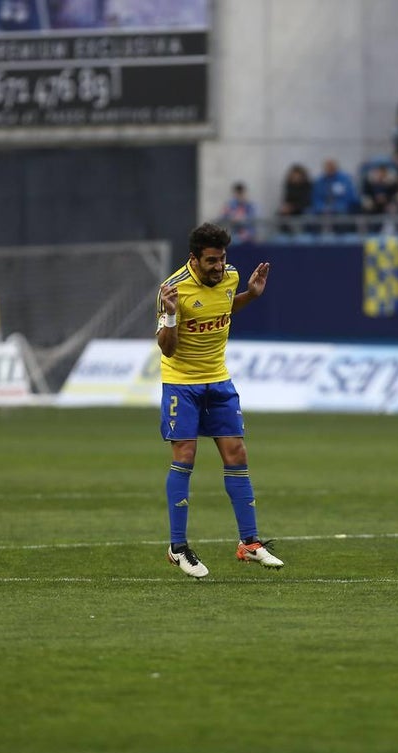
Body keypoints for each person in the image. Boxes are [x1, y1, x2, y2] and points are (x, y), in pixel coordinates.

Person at [156, 223, 284, 579]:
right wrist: (171, 313)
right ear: (194, 259)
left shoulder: (230, 277)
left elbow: (222, 309)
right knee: (185, 455)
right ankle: (177, 547)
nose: (218, 266)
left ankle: (249, 543)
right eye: (211, 260)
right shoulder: (173, 289)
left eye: (222, 258)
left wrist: (250, 295)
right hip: (182, 384)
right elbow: (167, 347)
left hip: (219, 379)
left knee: (237, 453)